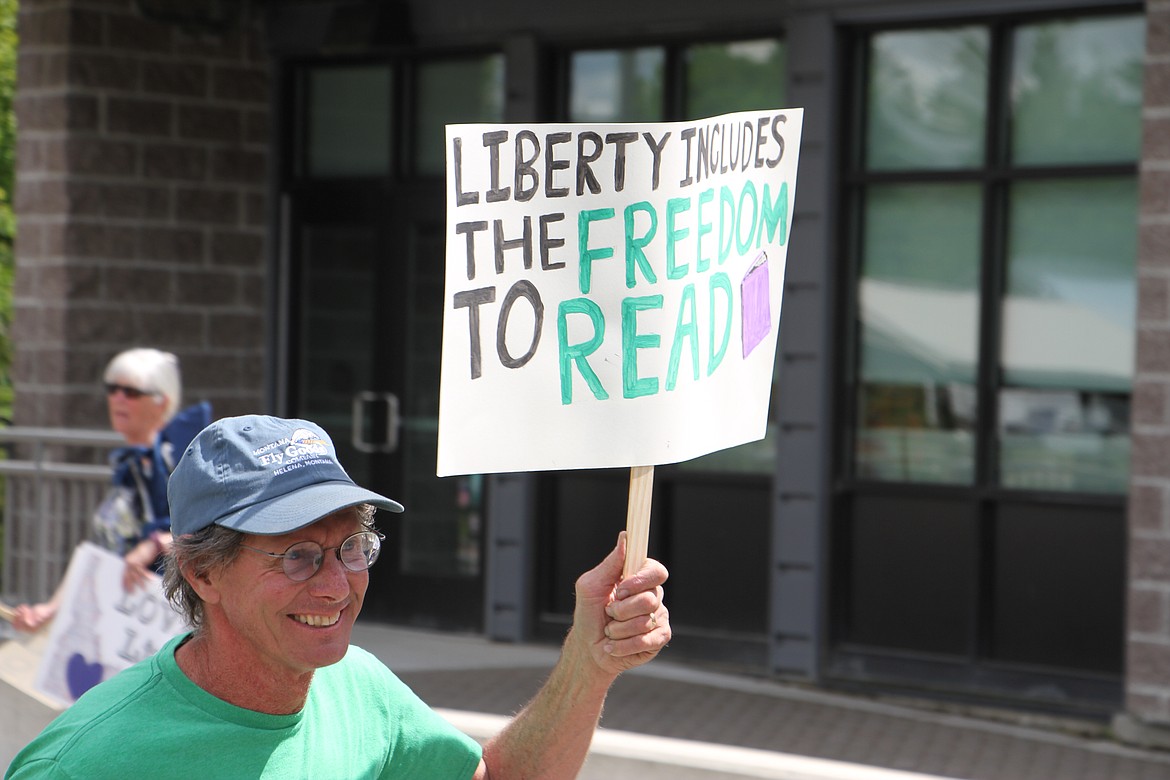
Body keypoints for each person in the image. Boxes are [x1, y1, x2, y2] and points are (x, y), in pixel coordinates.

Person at [6, 414, 671, 778]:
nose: (336, 583)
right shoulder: (86, 764)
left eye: (351, 547)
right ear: (202, 574)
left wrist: (591, 658)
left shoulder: (359, 691)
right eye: (297, 555)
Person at [10, 348, 212, 632]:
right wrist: (50, 609)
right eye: (112, 389)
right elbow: (100, 551)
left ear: (160, 402)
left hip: (167, 623)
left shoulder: (177, 462)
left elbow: (208, 536)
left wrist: (153, 545)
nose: (117, 399)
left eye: (130, 392)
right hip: (126, 623)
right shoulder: (131, 467)